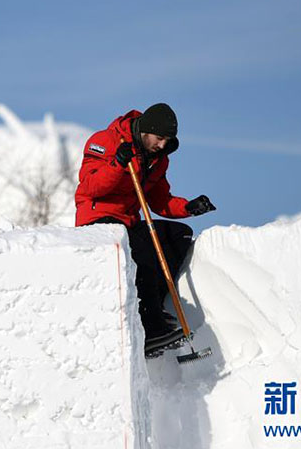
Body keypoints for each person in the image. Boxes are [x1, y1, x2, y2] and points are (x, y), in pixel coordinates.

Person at [74, 103, 216, 353]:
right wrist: (118, 164)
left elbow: (160, 200)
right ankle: (150, 327)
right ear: (146, 131)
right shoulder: (104, 141)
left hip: (128, 223)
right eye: (159, 138)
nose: (162, 145)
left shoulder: (157, 160)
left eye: (167, 140)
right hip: (98, 220)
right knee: (140, 246)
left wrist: (189, 208)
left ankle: (155, 308)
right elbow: (89, 187)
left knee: (178, 235)